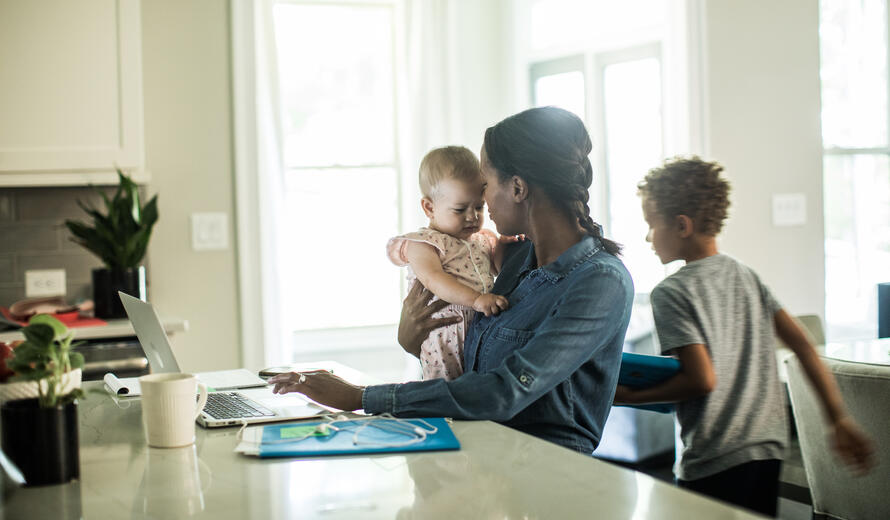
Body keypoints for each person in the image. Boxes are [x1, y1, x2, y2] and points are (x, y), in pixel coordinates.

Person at [269, 106, 634, 454]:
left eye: (486, 185)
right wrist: (412, 339)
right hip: (478, 451)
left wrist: (361, 397)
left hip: (546, 474)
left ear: (518, 188)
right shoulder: (516, 260)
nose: (482, 201)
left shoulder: (600, 282)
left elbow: (504, 390)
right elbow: (475, 364)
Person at [614, 156, 874, 517]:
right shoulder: (745, 275)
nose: (647, 237)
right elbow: (802, 345)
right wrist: (837, 417)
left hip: (714, 458)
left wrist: (629, 396)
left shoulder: (671, 292)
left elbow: (701, 380)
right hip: (767, 450)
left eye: (650, 225)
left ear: (682, 225)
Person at [386, 146, 515, 381]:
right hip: (445, 332)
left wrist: (504, 245)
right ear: (429, 207)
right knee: (445, 390)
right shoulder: (424, 243)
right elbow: (433, 278)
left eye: (479, 207)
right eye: (460, 209)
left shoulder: (481, 239)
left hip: (481, 325)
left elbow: (498, 268)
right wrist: (475, 299)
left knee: (478, 388)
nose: (472, 217)